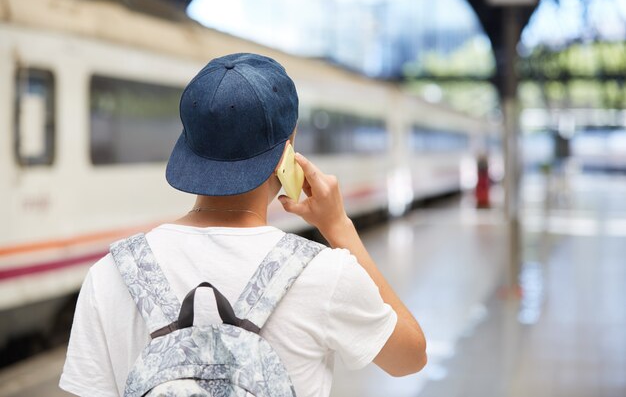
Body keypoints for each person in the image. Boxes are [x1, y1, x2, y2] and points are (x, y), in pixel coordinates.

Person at [59, 53, 426, 397]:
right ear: (288, 152)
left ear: (186, 145)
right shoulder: (326, 274)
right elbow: (410, 357)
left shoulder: (110, 275)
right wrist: (339, 227)